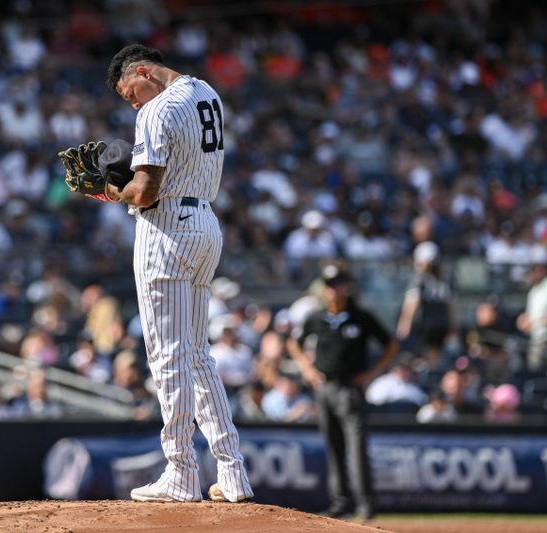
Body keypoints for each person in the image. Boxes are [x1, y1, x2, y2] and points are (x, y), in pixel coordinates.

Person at [101, 44, 252, 503]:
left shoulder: (156, 110)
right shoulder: (207, 93)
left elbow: (145, 192)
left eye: (131, 92)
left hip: (166, 230)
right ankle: (232, 472)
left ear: (144, 71)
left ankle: (181, 469)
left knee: (167, 356)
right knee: (197, 354)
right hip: (206, 222)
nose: (133, 103)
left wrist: (109, 190)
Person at [286, 264, 397, 520]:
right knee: (334, 448)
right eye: (329, 284)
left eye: (337, 283)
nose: (333, 289)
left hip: (351, 389)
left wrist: (371, 374)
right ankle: (341, 502)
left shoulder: (361, 317)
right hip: (324, 387)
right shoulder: (316, 318)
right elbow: (293, 343)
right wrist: (307, 369)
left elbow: (390, 345)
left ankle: (366, 503)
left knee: (357, 448)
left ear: (347, 287)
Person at [396, 241, 457, 370]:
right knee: (435, 355)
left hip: (425, 323)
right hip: (440, 323)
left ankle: (427, 373)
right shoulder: (444, 280)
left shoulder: (419, 279)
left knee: (422, 356)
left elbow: (413, 301)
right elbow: (450, 305)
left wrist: (405, 323)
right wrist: (452, 326)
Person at [516, 246, 547, 373]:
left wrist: (533, 323)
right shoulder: (534, 291)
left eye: (534, 269)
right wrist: (523, 320)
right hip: (536, 340)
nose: (532, 273)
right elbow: (530, 317)